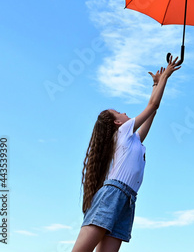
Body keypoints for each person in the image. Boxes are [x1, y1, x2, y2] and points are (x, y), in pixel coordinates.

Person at [71, 56, 181, 252]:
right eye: (119, 112)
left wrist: (155, 85)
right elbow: (152, 106)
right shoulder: (122, 133)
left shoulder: (133, 140)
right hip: (113, 194)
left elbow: (152, 112)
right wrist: (166, 77)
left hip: (128, 200)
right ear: (117, 123)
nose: (124, 112)